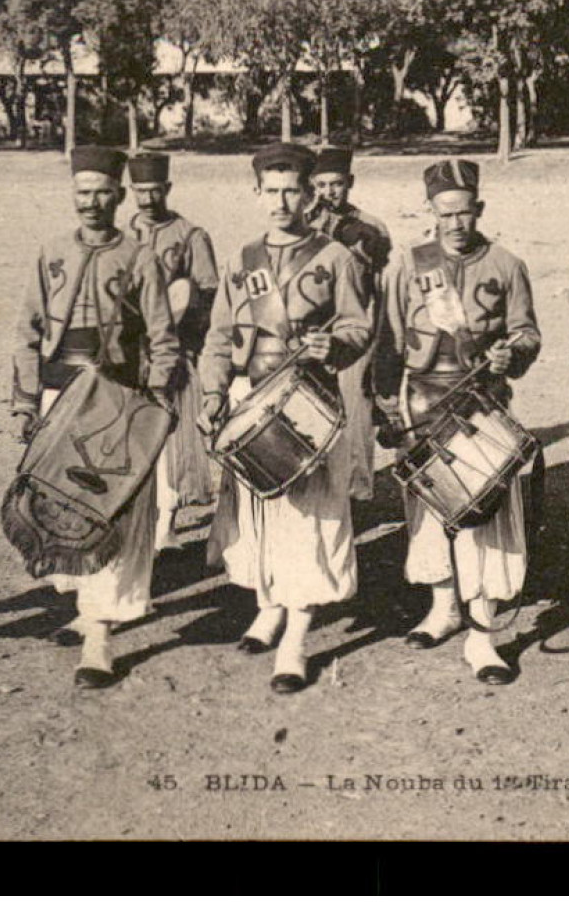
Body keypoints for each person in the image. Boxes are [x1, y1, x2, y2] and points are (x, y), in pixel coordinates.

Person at [198, 142, 372, 695]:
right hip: (253, 396)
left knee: (306, 518)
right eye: (270, 191)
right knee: (259, 513)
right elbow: (219, 338)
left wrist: (334, 345)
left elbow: (359, 327)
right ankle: (268, 607)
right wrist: (212, 393)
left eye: (291, 190)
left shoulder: (335, 257)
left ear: (309, 193)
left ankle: (297, 636)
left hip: (310, 398)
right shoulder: (242, 259)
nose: (281, 201)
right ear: (256, 194)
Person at [11, 145, 181, 688]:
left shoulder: (139, 256)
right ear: (72, 195)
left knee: (111, 511)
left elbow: (162, 337)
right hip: (59, 395)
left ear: (119, 195)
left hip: (117, 400)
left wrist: (154, 403)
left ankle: (100, 638)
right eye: (82, 193)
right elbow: (27, 332)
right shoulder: (50, 251)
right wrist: (23, 401)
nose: (92, 202)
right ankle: (88, 608)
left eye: (102, 192)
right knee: (62, 507)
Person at [373, 158, 540, 685]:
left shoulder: (507, 265)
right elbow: (389, 342)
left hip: (481, 405)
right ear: (432, 213)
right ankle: (442, 607)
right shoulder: (408, 265)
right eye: (445, 215)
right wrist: (385, 406)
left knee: (482, 518)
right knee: (427, 518)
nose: (455, 225)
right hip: (423, 404)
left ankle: (483, 634)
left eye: (464, 213)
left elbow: (527, 332)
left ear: (479, 210)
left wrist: (511, 355)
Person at [126, 151, 221, 549]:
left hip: (175, 350)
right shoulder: (125, 234)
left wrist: (178, 330)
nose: (148, 200)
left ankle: (167, 522)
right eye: (139, 192)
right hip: (132, 356)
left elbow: (207, 293)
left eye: (155, 191)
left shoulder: (190, 235)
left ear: (167, 189)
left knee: (171, 442)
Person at [307, 146, 392, 501]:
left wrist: (381, 342)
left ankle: (357, 491)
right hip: (314, 332)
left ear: (350, 183)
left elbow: (384, 288)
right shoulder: (304, 223)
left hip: (356, 331)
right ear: (312, 184)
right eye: (323, 184)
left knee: (356, 410)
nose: (330, 192)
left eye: (337, 184)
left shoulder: (372, 227)